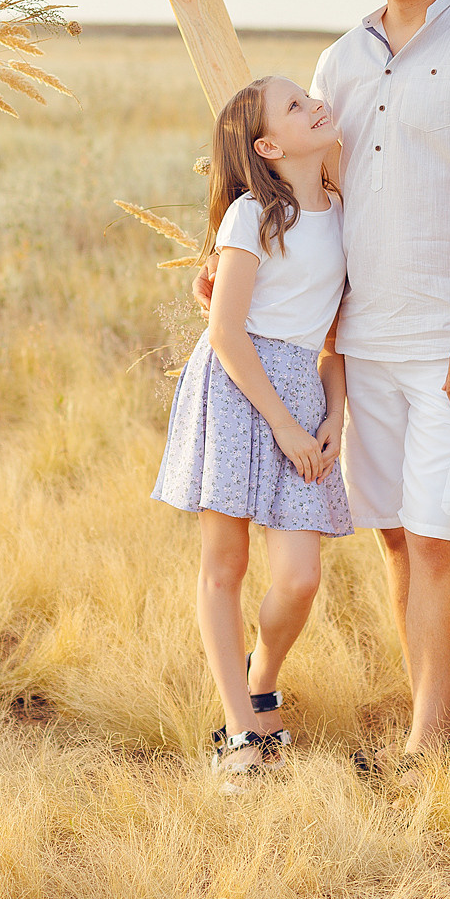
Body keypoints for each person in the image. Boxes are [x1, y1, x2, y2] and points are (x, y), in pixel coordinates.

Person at [196, 0, 450, 763]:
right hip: (357, 345)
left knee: (438, 539)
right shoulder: (339, 61)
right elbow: (302, 185)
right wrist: (228, 256)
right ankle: (422, 717)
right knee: (396, 535)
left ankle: (428, 747)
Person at [153, 75, 353, 791]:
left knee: (299, 578)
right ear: (268, 146)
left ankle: (259, 681)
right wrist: (285, 426)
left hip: (305, 387)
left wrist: (332, 418)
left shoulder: (341, 212)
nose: (315, 105)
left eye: (309, 96)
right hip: (239, 391)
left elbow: (335, 342)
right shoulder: (252, 215)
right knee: (226, 564)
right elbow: (226, 332)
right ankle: (238, 730)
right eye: (296, 107)